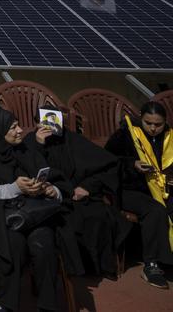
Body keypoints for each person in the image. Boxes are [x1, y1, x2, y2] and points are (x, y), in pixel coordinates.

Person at [0, 108, 66, 312]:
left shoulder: (24, 150)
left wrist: (51, 190)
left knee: (43, 242)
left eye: (18, 125)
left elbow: (51, 176)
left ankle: (48, 305)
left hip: (34, 214)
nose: (19, 131)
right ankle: (6, 305)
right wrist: (15, 188)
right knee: (13, 245)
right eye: (13, 127)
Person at [23, 114, 130, 278]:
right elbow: (30, 169)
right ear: (36, 123)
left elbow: (107, 165)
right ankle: (72, 267)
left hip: (79, 194)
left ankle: (99, 266)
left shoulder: (72, 139)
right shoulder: (30, 142)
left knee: (99, 216)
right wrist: (39, 145)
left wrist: (87, 187)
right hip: (50, 197)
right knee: (67, 222)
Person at [105, 102, 173, 289]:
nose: (153, 128)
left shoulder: (169, 137)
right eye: (148, 123)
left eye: (158, 124)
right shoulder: (125, 135)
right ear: (140, 118)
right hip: (129, 189)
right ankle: (151, 265)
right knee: (156, 211)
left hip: (161, 188)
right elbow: (107, 161)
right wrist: (131, 164)